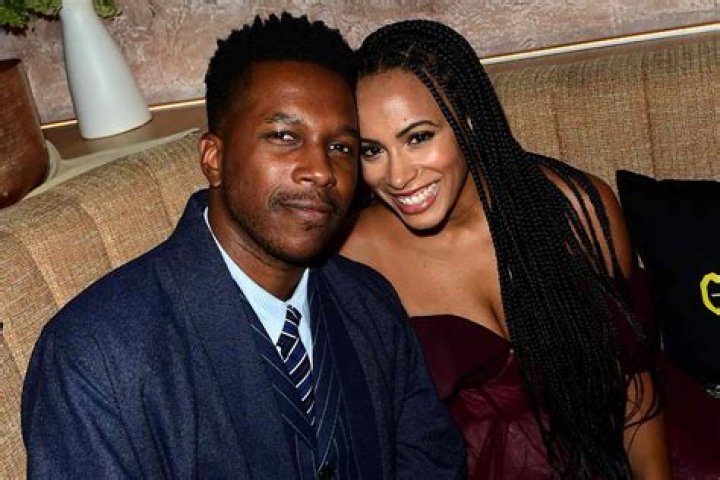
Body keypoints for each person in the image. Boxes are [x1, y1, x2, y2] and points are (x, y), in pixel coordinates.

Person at [21, 13, 465, 479]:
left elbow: (433, 463)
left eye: (341, 147)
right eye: (284, 137)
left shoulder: (369, 302)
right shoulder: (95, 355)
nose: (320, 170)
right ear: (214, 159)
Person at [341, 20, 671, 478]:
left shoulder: (578, 210)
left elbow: (632, 385)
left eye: (418, 137)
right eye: (371, 151)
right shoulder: (353, 258)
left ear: (469, 120)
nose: (397, 177)